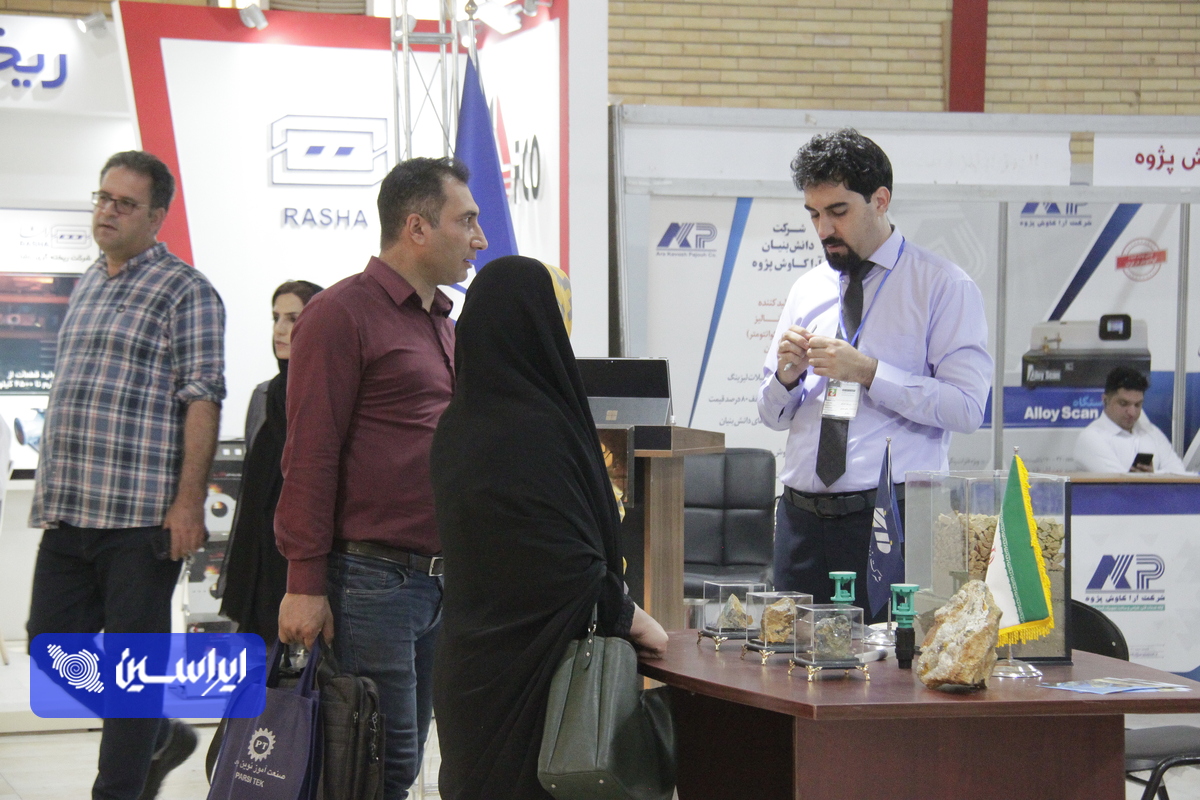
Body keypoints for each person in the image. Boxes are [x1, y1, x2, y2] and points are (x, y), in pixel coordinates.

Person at [274, 156, 486, 799]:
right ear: (417, 227)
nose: (479, 238)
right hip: (370, 581)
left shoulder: (442, 321)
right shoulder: (340, 314)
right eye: (466, 221)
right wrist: (303, 582)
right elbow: (309, 454)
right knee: (374, 769)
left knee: (402, 761)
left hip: (435, 583)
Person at [430, 255, 668, 800]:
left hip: (472, 667)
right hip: (543, 675)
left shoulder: (456, 425)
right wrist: (632, 618)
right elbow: (558, 562)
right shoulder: (537, 428)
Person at [26, 150, 225, 800]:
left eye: (125, 203)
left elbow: (202, 398)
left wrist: (188, 503)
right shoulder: (89, 281)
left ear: (156, 216)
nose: (107, 211)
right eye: (103, 198)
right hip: (70, 511)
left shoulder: (185, 290)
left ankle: (120, 786)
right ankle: (159, 734)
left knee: (132, 669)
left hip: (141, 518)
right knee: (50, 650)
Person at [758, 128, 992, 622]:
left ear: (880, 200)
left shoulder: (943, 286)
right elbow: (772, 415)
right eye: (814, 214)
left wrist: (869, 372)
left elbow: (968, 408)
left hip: (889, 520)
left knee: (889, 661)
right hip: (800, 520)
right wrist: (785, 378)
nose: (824, 228)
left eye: (838, 211)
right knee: (792, 659)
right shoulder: (807, 288)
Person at [218, 280, 323, 642]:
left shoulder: (329, 393)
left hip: (307, 559)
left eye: (292, 318)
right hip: (260, 552)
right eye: (275, 318)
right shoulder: (265, 395)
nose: (279, 329)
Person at [1073, 366, 1188, 474]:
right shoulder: (1091, 438)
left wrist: (1152, 475)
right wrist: (1153, 476)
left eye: (1137, 405)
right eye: (1123, 404)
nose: (1132, 412)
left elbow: (1180, 474)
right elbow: (1120, 483)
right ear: (1105, 400)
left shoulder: (1152, 432)